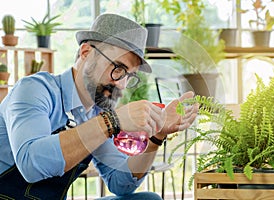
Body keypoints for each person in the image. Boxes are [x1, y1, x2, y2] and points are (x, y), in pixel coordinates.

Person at [0, 13, 198, 199]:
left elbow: (120, 183)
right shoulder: (34, 90)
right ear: (86, 52)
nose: (121, 84)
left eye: (129, 76)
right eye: (118, 68)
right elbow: (30, 166)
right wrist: (112, 121)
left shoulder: (97, 114)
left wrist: (157, 136)